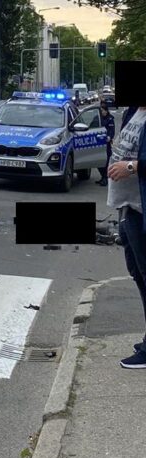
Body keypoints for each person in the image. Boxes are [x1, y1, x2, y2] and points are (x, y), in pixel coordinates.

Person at [107, 105, 146, 368]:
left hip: (143, 210)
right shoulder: (134, 111)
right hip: (129, 205)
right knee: (138, 273)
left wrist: (132, 166)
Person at [96, 103, 116, 186]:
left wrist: (109, 137)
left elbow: (112, 130)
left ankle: (106, 179)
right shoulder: (97, 118)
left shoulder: (110, 119)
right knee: (98, 162)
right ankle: (103, 177)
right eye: (100, 111)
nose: (101, 112)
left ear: (106, 111)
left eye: (102, 110)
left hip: (106, 144)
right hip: (97, 143)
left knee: (106, 162)